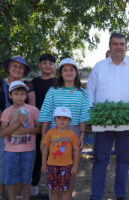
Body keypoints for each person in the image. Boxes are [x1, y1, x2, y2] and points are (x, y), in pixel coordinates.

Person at [86, 33, 129, 200]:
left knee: (123, 159)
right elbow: (90, 90)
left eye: (121, 44)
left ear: (126, 46)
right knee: (100, 159)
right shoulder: (99, 66)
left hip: (128, 121)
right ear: (109, 46)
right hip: (103, 120)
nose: (118, 47)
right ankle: (96, 195)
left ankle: (121, 194)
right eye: (115, 44)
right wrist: (92, 111)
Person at [38, 58, 90, 199]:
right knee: (54, 165)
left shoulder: (83, 93)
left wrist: (82, 135)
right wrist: (43, 137)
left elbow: (84, 116)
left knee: (70, 167)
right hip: (54, 132)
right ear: (60, 73)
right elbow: (46, 114)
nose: (68, 73)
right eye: (65, 70)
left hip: (74, 131)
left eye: (71, 70)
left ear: (76, 72)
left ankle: (67, 197)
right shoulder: (52, 91)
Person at [0, 56, 35, 200]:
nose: (17, 69)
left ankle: (19, 195)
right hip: (1, 128)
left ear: (24, 70)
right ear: (8, 68)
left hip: (24, 131)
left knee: (21, 162)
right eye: (14, 66)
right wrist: (10, 124)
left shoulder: (28, 85)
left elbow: (33, 108)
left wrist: (23, 127)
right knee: (3, 161)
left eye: (21, 67)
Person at [0, 80, 41, 200]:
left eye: (22, 94)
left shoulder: (33, 110)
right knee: (11, 178)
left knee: (26, 178)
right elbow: (2, 133)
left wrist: (26, 131)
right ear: (10, 95)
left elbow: (40, 129)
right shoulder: (7, 112)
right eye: (16, 93)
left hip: (29, 150)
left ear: (26, 95)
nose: (19, 96)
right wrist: (17, 122)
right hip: (11, 151)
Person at [30, 53, 57, 196]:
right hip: (38, 125)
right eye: (44, 63)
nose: (47, 66)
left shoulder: (59, 82)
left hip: (56, 126)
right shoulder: (33, 83)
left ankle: (51, 187)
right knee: (38, 156)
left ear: (54, 66)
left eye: (51, 63)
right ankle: (34, 186)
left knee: (53, 157)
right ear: (40, 65)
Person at [41, 107, 79, 200]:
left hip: (66, 167)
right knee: (53, 190)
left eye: (65, 118)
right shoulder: (50, 133)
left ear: (70, 120)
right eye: (59, 118)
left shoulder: (72, 134)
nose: (62, 120)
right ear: (54, 120)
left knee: (65, 190)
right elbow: (45, 149)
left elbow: (76, 151)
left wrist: (74, 166)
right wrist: (43, 165)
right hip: (51, 166)